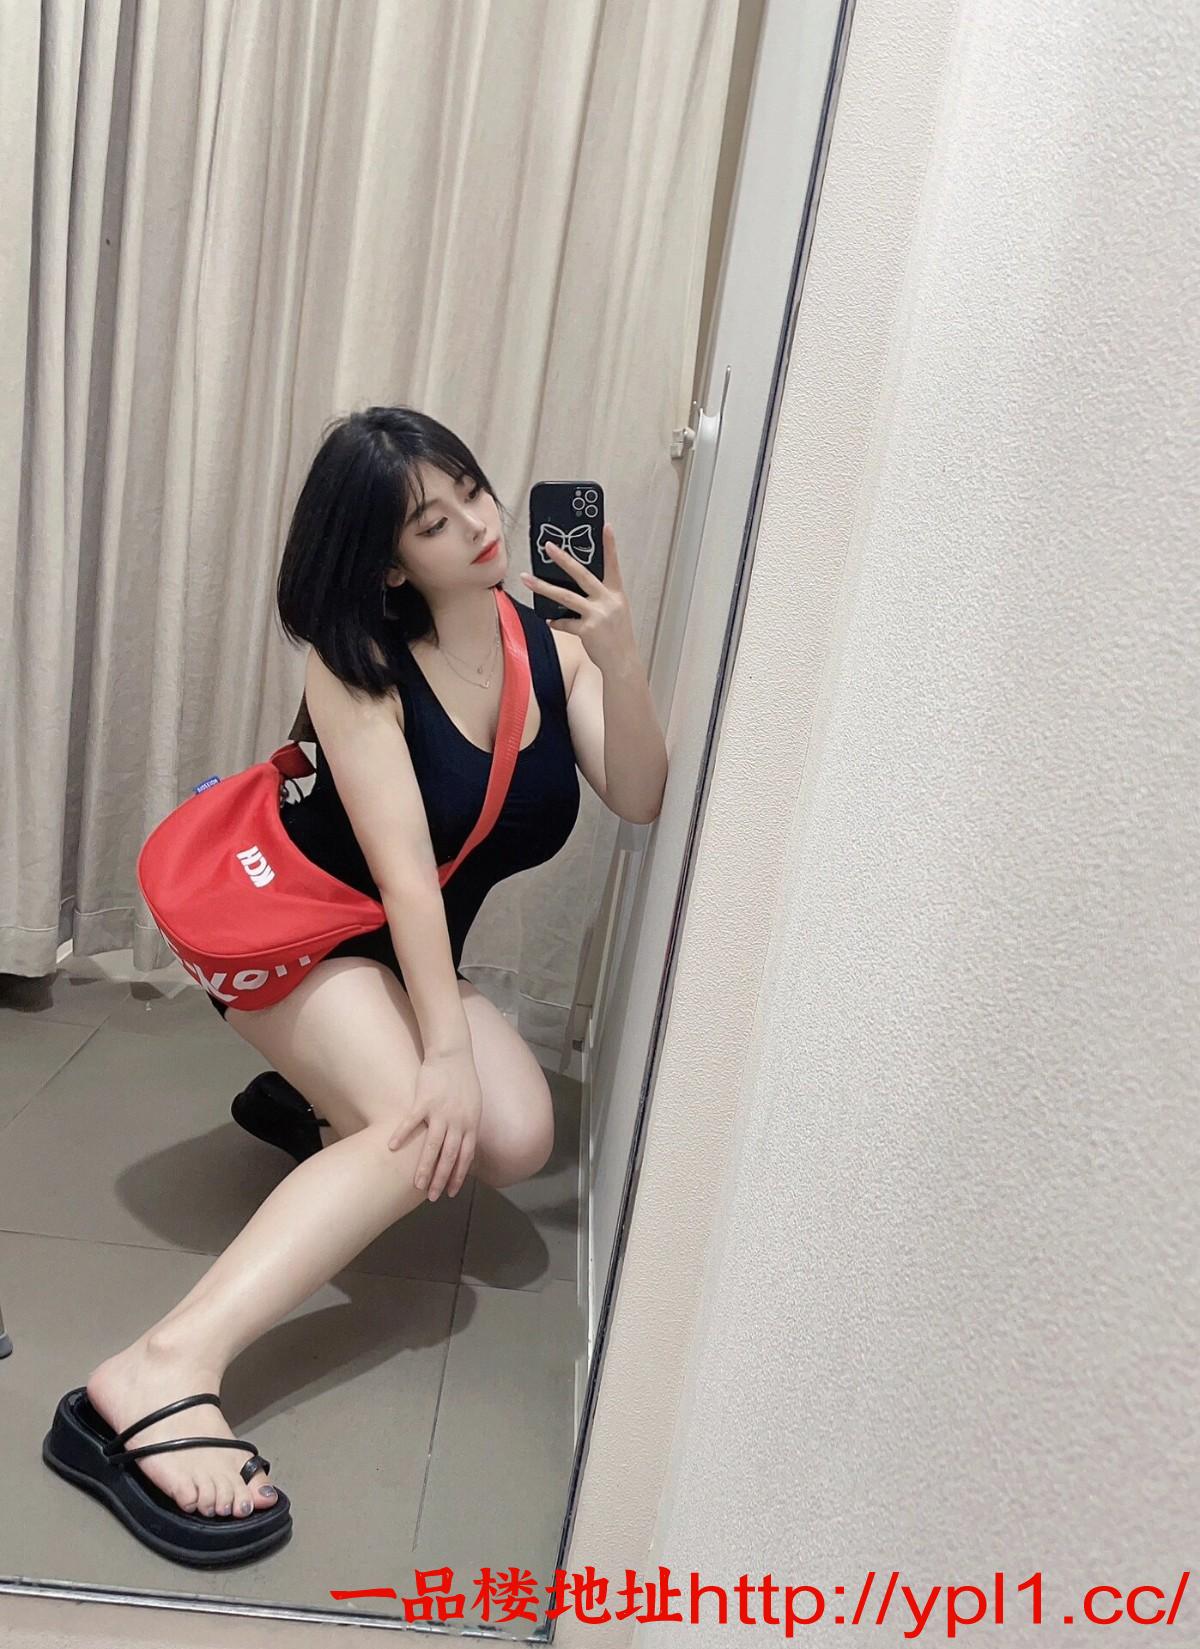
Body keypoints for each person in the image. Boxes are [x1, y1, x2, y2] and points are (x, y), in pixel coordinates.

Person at [43, 405, 667, 1566]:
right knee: (415, 1128)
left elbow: (639, 791)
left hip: (398, 959)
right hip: (303, 937)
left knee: (517, 1135)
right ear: (389, 563)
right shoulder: (357, 666)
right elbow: (406, 880)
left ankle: (321, 1101)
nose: (477, 524)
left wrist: (621, 653)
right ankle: (159, 1370)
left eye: (472, 490)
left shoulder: (556, 649)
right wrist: (440, 1061)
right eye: (434, 522)